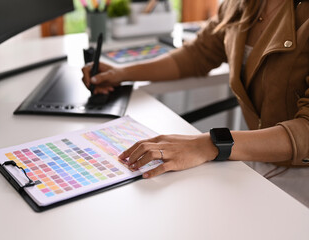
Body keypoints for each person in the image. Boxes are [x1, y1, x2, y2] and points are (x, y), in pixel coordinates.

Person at [82, 0, 309, 206]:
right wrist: (122, 73)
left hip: (299, 170)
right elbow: (198, 54)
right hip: (260, 158)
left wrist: (209, 144)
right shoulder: (240, 4)